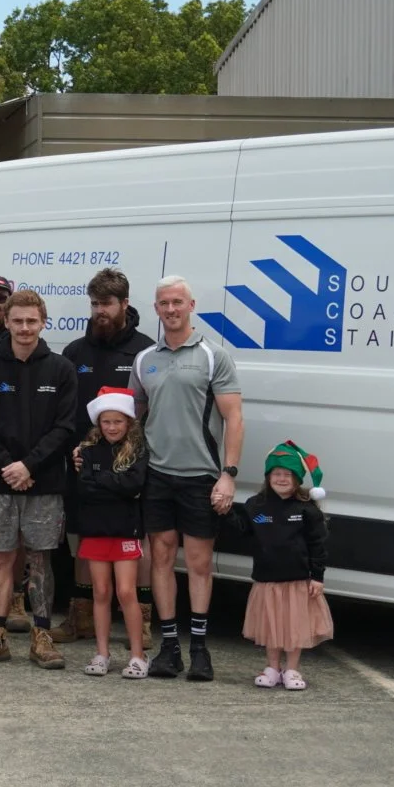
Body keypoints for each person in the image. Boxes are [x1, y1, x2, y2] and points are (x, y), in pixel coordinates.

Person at [130, 275, 245, 683]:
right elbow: (133, 421)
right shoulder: (146, 360)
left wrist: (227, 476)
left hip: (201, 477)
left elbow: (233, 418)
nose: (171, 309)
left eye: (178, 302)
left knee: (197, 564)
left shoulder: (214, 356)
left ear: (191, 305)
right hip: (158, 476)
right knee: (160, 560)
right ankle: (169, 648)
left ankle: (199, 648)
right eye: (164, 303)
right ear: (156, 308)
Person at [0, 289, 77, 668]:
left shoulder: (60, 369)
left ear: (44, 322)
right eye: (18, 321)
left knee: (40, 560)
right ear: (6, 323)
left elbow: (65, 427)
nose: (25, 328)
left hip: (43, 482)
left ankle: (41, 635)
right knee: (0, 557)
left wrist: (29, 466)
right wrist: (9, 468)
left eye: (32, 321)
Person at [60, 267, 155, 645]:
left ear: (125, 304)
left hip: (130, 460)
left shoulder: (144, 351)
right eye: (95, 303)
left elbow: (150, 409)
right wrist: (71, 447)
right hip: (84, 462)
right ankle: (80, 617)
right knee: (84, 539)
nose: (100, 311)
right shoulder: (74, 351)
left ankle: (142, 621)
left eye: (108, 304)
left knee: (138, 543)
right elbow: (64, 410)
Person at [228, 441, 332, 691]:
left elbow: (318, 543)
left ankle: (292, 668)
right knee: (271, 626)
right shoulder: (256, 505)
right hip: (267, 580)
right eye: (276, 474)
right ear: (268, 477)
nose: (281, 479)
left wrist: (317, 576)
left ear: (297, 479)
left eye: (287, 475)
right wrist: (224, 511)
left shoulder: (307, 509)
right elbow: (243, 531)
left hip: (298, 581)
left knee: (295, 628)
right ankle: (273, 667)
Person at [72, 387, 150, 679]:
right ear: (98, 424)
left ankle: (138, 656)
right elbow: (84, 487)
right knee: (101, 592)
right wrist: (116, 483)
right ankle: (102, 653)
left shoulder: (138, 452)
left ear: (128, 423)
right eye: (106, 422)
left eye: (118, 421)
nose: (112, 427)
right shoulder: (88, 452)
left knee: (126, 592)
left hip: (126, 531)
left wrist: (105, 482)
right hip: (95, 530)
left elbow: (134, 485)